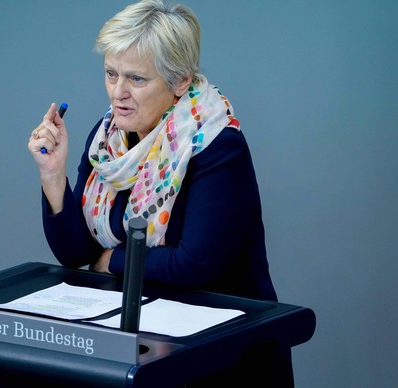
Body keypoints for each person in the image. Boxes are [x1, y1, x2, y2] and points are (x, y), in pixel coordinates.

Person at [28, 0, 293, 386]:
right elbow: (76, 254)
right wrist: (53, 175)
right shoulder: (107, 143)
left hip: (225, 355)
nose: (118, 93)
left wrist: (110, 262)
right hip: (145, 342)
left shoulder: (217, 146)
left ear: (180, 81)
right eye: (110, 74)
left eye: (136, 79)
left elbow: (193, 264)